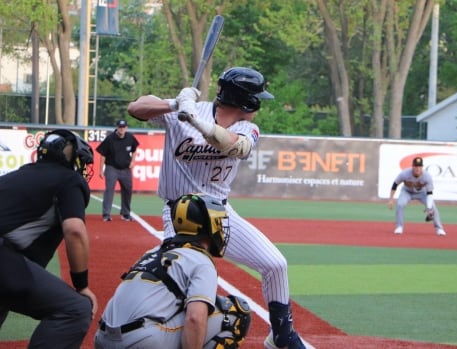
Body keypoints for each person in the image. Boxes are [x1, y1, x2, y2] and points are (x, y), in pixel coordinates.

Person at [127, 66, 306, 349]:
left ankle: (282, 336)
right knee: (177, 285)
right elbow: (136, 107)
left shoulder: (246, 127)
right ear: (247, 101)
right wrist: (175, 103)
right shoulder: (184, 110)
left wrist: (196, 121)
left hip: (220, 214)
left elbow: (234, 146)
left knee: (276, 264)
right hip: (180, 216)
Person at [95, 193, 251, 349]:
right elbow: (195, 318)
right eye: (218, 221)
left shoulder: (153, 252)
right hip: (142, 341)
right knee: (235, 312)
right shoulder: (201, 260)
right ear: (207, 226)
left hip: (103, 338)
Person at [0, 129, 98, 348]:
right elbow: (74, 230)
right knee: (75, 309)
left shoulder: (15, 176)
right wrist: (81, 285)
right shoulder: (69, 179)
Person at [387, 156, 447, 236]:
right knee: (400, 204)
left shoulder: (427, 176)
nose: (417, 168)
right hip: (407, 191)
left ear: (422, 167)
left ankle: (439, 229)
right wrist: (391, 199)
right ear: (412, 166)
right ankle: (399, 227)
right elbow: (395, 185)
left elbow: (429, 193)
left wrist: (429, 208)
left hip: (422, 193)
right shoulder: (405, 173)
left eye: (419, 166)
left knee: (433, 207)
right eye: (416, 166)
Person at [96, 119, 140, 222]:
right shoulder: (110, 139)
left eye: (123, 127)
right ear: (117, 127)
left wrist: (133, 161)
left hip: (125, 169)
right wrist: (101, 170)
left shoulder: (130, 137)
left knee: (128, 190)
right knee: (109, 190)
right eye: (120, 127)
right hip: (112, 168)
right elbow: (103, 155)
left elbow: (134, 150)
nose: (122, 129)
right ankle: (106, 214)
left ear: (126, 128)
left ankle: (125, 214)